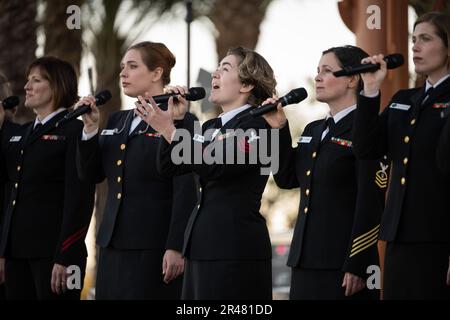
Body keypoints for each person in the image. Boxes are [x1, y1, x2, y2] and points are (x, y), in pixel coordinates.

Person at [137, 47, 277, 299]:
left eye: (225, 68)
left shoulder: (259, 126)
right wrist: (177, 122)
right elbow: (169, 167)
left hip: (235, 250)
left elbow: (215, 167)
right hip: (202, 246)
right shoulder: (212, 126)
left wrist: (170, 130)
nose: (214, 74)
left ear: (246, 85)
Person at [262, 45, 387, 299]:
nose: (318, 77)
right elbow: (286, 179)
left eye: (327, 71)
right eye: (317, 71)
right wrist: (279, 129)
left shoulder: (367, 129)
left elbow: (371, 200)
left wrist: (358, 262)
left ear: (353, 78)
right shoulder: (314, 129)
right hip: (305, 260)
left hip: (343, 264)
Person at [75, 41, 198, 300]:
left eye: (132, 66)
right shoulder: (118, 120)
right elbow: (92, 175)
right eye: (122, 67)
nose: (123, 73)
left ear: (156, 73)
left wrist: (176, 245)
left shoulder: (182, 119)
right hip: (111, 244)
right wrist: (89, 130)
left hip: (153, 246)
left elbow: (185, 187)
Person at [353, 11, 450, 299]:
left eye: (426, 39)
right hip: (398, 235)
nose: (415, 47)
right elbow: (366, 148)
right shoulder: (404, 100)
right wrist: (370, 89)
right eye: (413, 39)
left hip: (438, 237)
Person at [0, 57, 95, 300]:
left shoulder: (74, 131)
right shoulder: (22, 133)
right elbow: (9, 190)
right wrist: (4, 251)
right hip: (17, 253)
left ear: (57, 86)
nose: (26, 87)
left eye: (36, 80)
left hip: (54, 256)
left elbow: (80, 197)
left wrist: (66, 256)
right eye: (27, 80)